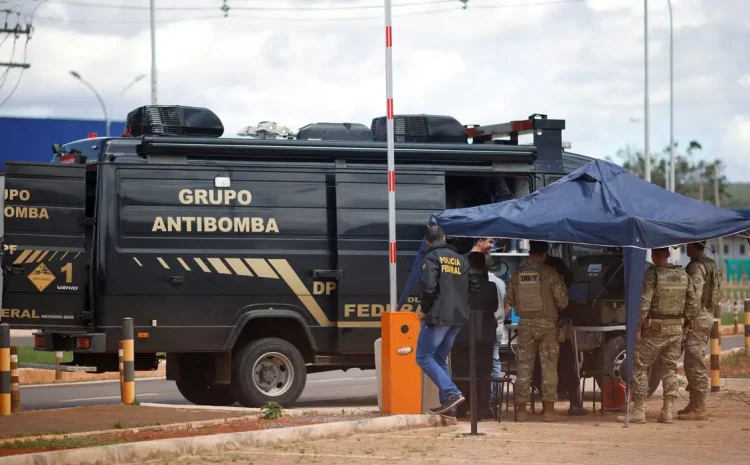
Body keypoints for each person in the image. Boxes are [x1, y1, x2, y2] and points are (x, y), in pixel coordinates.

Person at [617, 247, 699, 424]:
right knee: (669, 368)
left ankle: (639, 410)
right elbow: (693, 303)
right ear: (668, 255)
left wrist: (637, 327)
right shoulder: (683, 275)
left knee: (639, 365)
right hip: (676, 329)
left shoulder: (652, 274)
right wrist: (685, 321)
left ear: (653, 256)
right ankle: (667, 411)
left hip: (655, 329)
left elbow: (645, 303)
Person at [415, 225, 479, 415]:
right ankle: (448, 406)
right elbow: (474, 287)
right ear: (444, 239)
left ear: (428, 242)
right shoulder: (461, 259)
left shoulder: (431, 257)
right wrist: (459, 303)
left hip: (439, 316)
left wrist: (424, 310)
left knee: (423, 357)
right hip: (458, 318)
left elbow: (429, 287)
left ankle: (451, 393)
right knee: (439, 358)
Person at [505, 240, 569, 422]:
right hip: (548, 326)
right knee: (549, 368)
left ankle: (522, 410)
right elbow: (562, 302)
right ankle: (548, 410)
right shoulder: (550, 274)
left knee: (523, 368)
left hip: (525, 325)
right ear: (544, 255)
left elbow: (510, 299)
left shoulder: (518, 275)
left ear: (529, 253)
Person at [532, 249, 589, 416]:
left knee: (539, 365)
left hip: (534, 324)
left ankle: (544, 405)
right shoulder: (556, 267)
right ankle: (574, 404)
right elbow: (565, 298)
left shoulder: (527, 270)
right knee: (566, 363)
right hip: (556, 324)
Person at [451, 252, 499, 418]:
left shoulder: (459, 286)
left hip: (461, 334)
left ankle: (462, 407)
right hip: (485, 334)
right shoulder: (491, 286)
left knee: (461, 372)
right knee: (484, 373)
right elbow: (493, 307)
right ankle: (482, 408)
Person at [679, 241, 721, 420]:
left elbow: (695, 297)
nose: (685, 247)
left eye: (688, 244)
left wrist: (687, 318)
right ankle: (694, 402)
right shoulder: (710, 263)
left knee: (695, 360)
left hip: (698, 316)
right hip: (706, 314)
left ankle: (700, 407)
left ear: (694, 246)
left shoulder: (697, 267)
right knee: (691, 360)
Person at [487, 254, 508, 415]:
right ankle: (495, 399)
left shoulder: (480, 283)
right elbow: (508, 305)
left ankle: (489, 399)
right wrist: (500, 317)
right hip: (498, 327)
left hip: (485, 328)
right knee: (495, 363)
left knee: (484, 364)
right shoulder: (501, 282)